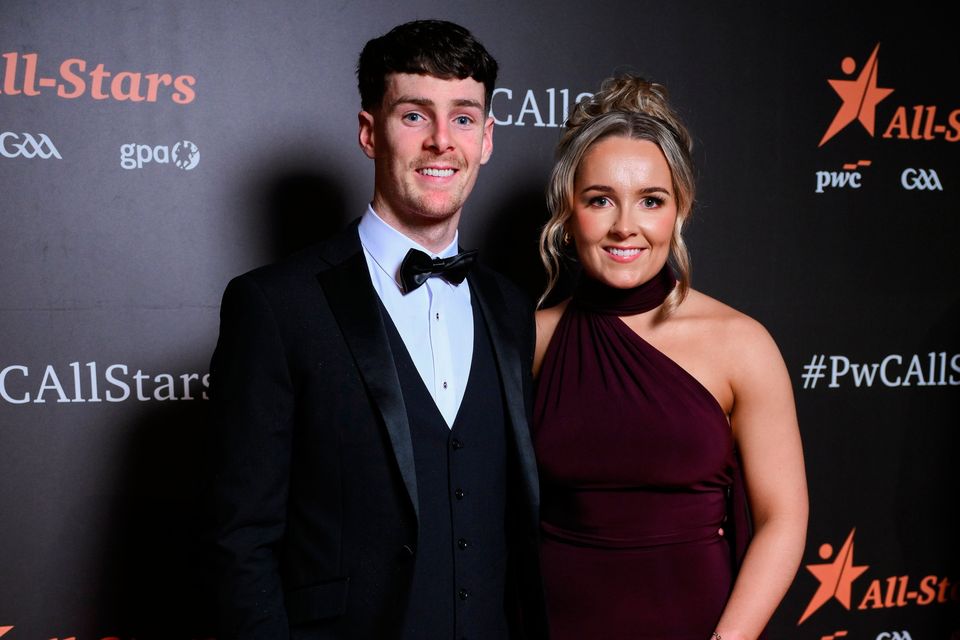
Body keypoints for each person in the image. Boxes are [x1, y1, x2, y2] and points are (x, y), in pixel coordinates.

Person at [209, 19, 547, 640]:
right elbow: (241, 542)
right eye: (415, 116)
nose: (442, 141)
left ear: (489, 138)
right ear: (370, 132)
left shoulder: (511, 307)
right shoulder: (275, 305)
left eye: (464, 118)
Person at [532, 74, 808, 640]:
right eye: (600, 199)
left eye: (650, 201)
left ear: (679, 208)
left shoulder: (740, 343)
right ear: (568, 209)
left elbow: (783, 519)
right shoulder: (527, 341)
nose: (624, 226)